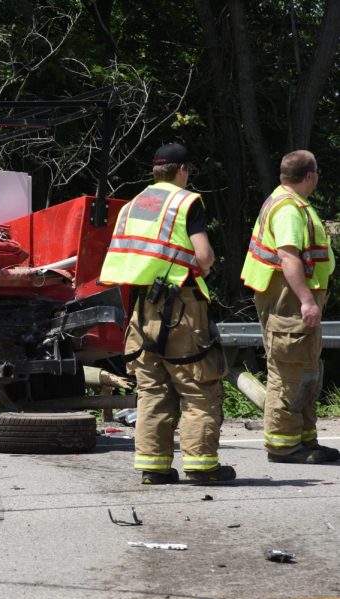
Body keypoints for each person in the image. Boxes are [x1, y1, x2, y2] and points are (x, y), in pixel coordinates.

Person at [100, 142, 236, 484]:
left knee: (153, 388)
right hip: (182, 307)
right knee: (197, 385)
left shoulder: (132, 206)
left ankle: (153, 467)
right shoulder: (185, 202)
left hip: (142, 308)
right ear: (182, 170)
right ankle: (202, 466)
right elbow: (203, 257)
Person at [240, 150, 339, 464]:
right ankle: (283, 447)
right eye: (317, 172)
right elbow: (288, 257)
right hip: (290, 300)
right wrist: (307, 300)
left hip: (291, 299)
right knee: (289, 373)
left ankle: (305, 440)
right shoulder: (288, 209)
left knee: (306, 368)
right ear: (309, 175)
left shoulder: (289, 202)